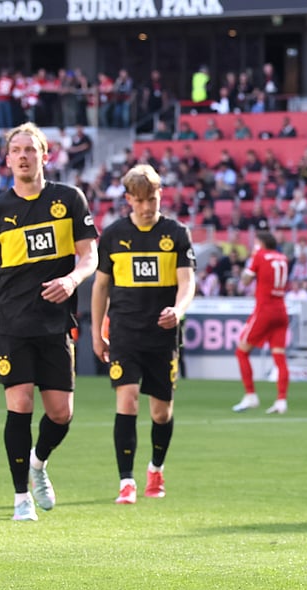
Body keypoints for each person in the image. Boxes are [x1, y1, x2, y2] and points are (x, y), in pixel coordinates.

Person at [0, 122, 97, 521]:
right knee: (19, 405)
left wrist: (71, 279)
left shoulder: (69, 199)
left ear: (45, 155)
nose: (24, 156)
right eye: (17, 150)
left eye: (31, 149)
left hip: (55, 323)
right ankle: (20, 499)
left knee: (61, 413)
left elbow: (89, 256)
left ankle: (38, 464)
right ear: (8, 158)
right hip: (11, 321)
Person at [90, 165, 196, 504]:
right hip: (124, 333)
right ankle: (126, 481)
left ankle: (156, 468)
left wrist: (177, 311)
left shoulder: (176, 233)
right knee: (128, 400)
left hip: (162, 336)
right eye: (139, 201)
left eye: (151, 198)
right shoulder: (113, 235)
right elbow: (101, 286)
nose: (147, 206)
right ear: (128, 200)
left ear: (160, 195)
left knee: (161, 412)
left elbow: (187, 283)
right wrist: (96, 331)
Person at [231, 231, 290, 414]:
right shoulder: (282, 257)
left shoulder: (260, 255)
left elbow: (245, 281)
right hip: (281, 310)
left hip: (265, 310)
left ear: (261, 243)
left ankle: (250, 395)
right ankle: (281, 400)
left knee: (241, 351)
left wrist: (251, 261)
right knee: (279, 357)